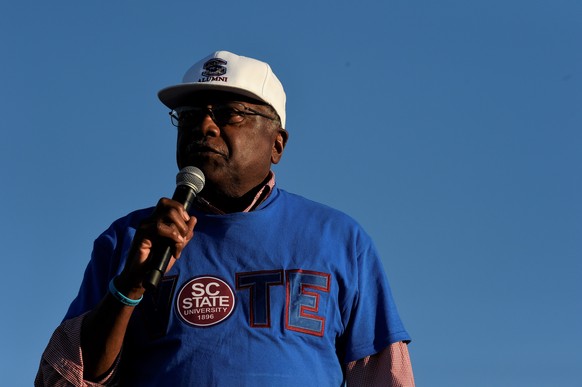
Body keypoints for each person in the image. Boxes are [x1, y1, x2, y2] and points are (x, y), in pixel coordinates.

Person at [36, 51, 415, 386]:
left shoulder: (341, 239)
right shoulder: (129, 239)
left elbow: (383, 375)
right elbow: (63, 379)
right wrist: (127, 289)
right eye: (189, 115)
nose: (205, 126)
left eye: (229, 114)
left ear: (277, 144)